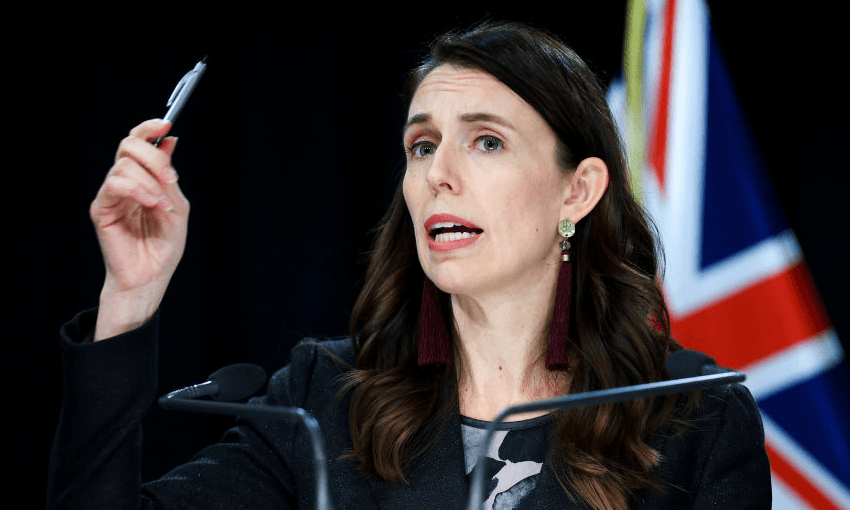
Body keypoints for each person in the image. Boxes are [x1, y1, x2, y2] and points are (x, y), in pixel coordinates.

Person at [47, 21, 771, 510]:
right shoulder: (325, 401)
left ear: (577, 190)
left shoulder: (694, 416)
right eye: (423, 146)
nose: (438, 175)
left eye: (486, 142)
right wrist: (128, 302)